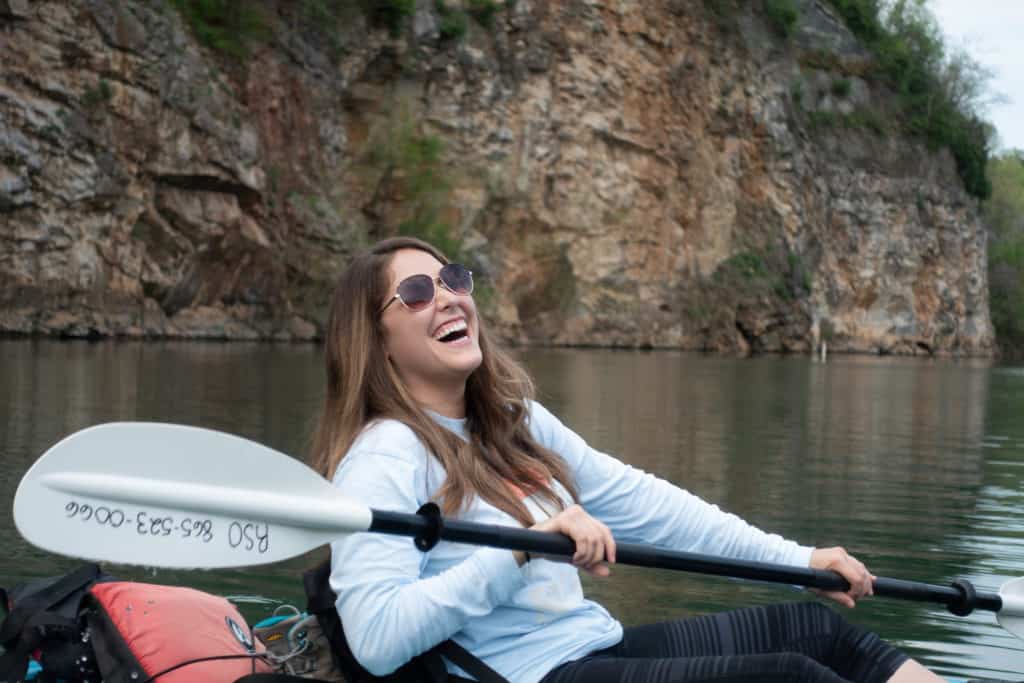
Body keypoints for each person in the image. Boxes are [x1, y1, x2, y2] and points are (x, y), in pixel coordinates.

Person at [311, 237, 944, 683]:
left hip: (592, 646)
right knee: (790, 676)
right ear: (379, 341)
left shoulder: (513, 420)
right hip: (529, 676)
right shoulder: (387, 454)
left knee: (822, 634)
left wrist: (801, 563)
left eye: (454, 279)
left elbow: (651, 509)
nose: (448, 297)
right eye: (417, 293)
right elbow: (375, 640)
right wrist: (522, 549)